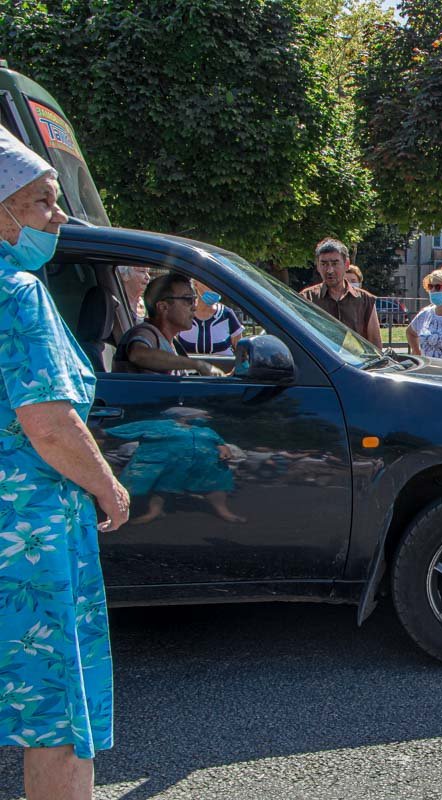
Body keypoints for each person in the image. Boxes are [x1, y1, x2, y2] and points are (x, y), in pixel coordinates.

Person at [0, 127, 130, 799]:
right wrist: (109, 488)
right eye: (43, 201)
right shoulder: (17, 291)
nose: (59, 217)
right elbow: (49, 425)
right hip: (32, 535)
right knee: (54, 710)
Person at [106, 407, 245, 524]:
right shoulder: (156, 425)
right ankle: (154, 512)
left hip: (208, 464)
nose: (207, 418)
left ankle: (224, 512)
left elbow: (219, 442)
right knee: (163, 486)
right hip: (172, 463)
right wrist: (99, 432)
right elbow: (119, 431)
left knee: (216, 486)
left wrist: (224, 449)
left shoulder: (206, 430)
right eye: (203, 415)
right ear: (184, 416)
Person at [114, 273, 226, 376]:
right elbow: (138, 355)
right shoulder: (146, 332)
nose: (194, 307)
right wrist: (197, 364)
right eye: (188, 300)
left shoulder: (170, 342)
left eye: (194, 300)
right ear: (163, 307)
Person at [301, 238, 383, 348]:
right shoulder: (306, 299)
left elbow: (375, 343)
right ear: (318, 267)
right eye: (324, 264)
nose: (330, 270)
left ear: (346, 264)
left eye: (335, 263)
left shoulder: (365, 300)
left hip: (355, 359)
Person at [178, 279, 243, 357]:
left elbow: (242, 352)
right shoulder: (182, 314)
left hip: (222, 365)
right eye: (208, 283)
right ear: (195, 284)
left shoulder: (227, 314)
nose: (214, 287)